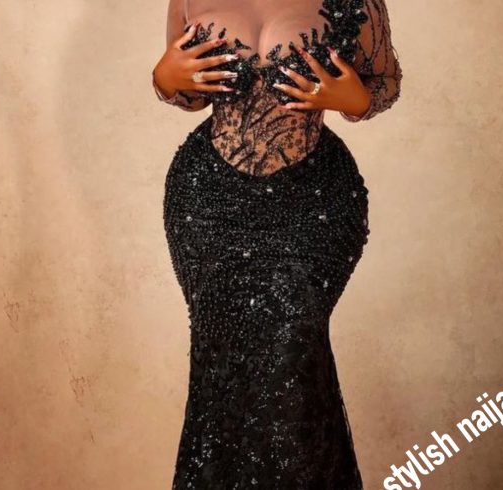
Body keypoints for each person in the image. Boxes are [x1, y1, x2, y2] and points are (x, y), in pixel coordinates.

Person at [153, 0, 401, 487]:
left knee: (295, 358)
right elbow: (187, 95)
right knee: (220, 364)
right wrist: (165, 78)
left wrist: (354, 99)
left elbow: (385, 83)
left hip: (314, 202)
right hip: (208, 201)